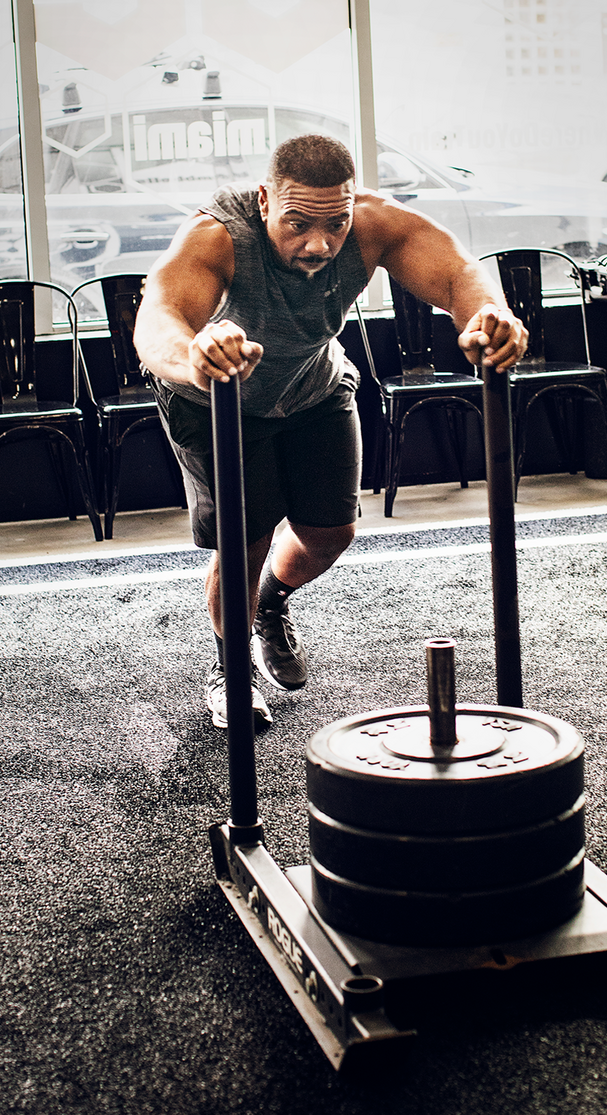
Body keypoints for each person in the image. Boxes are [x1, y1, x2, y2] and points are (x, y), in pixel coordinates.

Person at [133, 133, 527, 729]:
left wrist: (488, 317)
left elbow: (456, 275)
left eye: (333, 225)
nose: (319, 243)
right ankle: (230, 668)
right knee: (247, 541)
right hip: (213, 395)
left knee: (330, 534)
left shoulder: (372, 224)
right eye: (297, 224)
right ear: (265, 200)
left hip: (312, 388)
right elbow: (158, 316)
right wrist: (194, 353)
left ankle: (270, 601)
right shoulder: (218, 235)